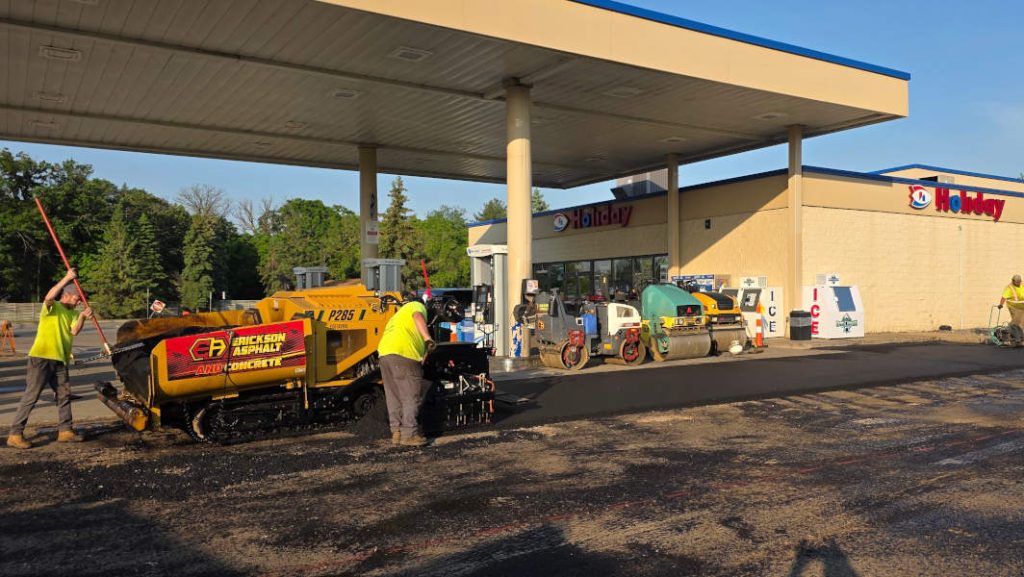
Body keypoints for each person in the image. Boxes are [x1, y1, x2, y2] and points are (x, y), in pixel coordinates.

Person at [7, 268, 93, 449]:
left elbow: (74, 331)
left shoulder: (73, 313)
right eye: (77, 298)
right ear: (67, 295)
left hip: (60, 360)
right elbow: (48, 296)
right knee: (32, 396)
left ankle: (66, 431)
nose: (79, 302)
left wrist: (83, 317)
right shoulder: (53, 307)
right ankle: (15, 434)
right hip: (41, 358)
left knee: (64, 395)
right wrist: (67, 278)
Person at [377, 291, 435, 447]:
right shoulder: (416, 306)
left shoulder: (397, 316)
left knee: (393, 396)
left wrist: (423, 353)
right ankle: (409, 435)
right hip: (404, 353)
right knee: (410, 396)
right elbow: (417, 316)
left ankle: (396, 432)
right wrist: (428, 338)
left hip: (384, 354)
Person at [998, 274, 1024, 343]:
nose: (1018, 283)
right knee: (1015, 322)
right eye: (1016, 282)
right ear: (1013, 281)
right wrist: (1001, 304)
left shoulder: (1022, 285)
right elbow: (1004, 297)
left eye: (1019, 281)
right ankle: (1014, 337)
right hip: (1014, 307)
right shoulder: (1009, 288)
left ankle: (1020, 337)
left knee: (1020, 322)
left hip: (1022, 306)